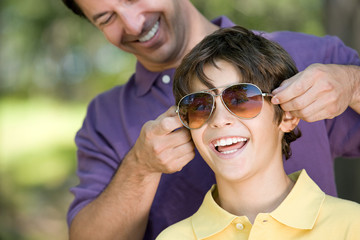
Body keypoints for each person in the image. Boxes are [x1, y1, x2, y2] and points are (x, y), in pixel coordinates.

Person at [60, 0, 360, 239]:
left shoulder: (314, 55)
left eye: (241, 99)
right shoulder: (104, 117)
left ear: (287, 116)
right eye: (106, 18)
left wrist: (353, 85)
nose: (133, 23)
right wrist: (140, 167)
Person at [156, 25, 360, 240]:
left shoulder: (351, 225)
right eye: (199, 106)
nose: (219, 120)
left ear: (287, 116)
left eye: (241, 100)